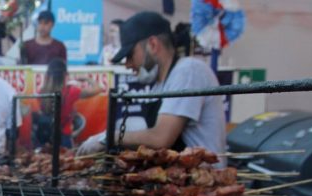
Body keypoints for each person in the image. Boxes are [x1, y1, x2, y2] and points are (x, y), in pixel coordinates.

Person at [76, 11, 226, 158]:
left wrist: (106, 138)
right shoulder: (161, 84)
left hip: (203, 177)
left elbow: (160, 138)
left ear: (153, 45)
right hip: (176, 178)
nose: (128, 64)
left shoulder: (188, 71)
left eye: (130, 55)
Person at [35, 58, 102, 149]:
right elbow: (98, 89)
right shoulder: (71, 91)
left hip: (45, 137)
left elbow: (41, 113)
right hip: (64, 137)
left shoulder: (42, 92)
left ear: (47, 75)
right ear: (65, 75)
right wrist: (86, 79)